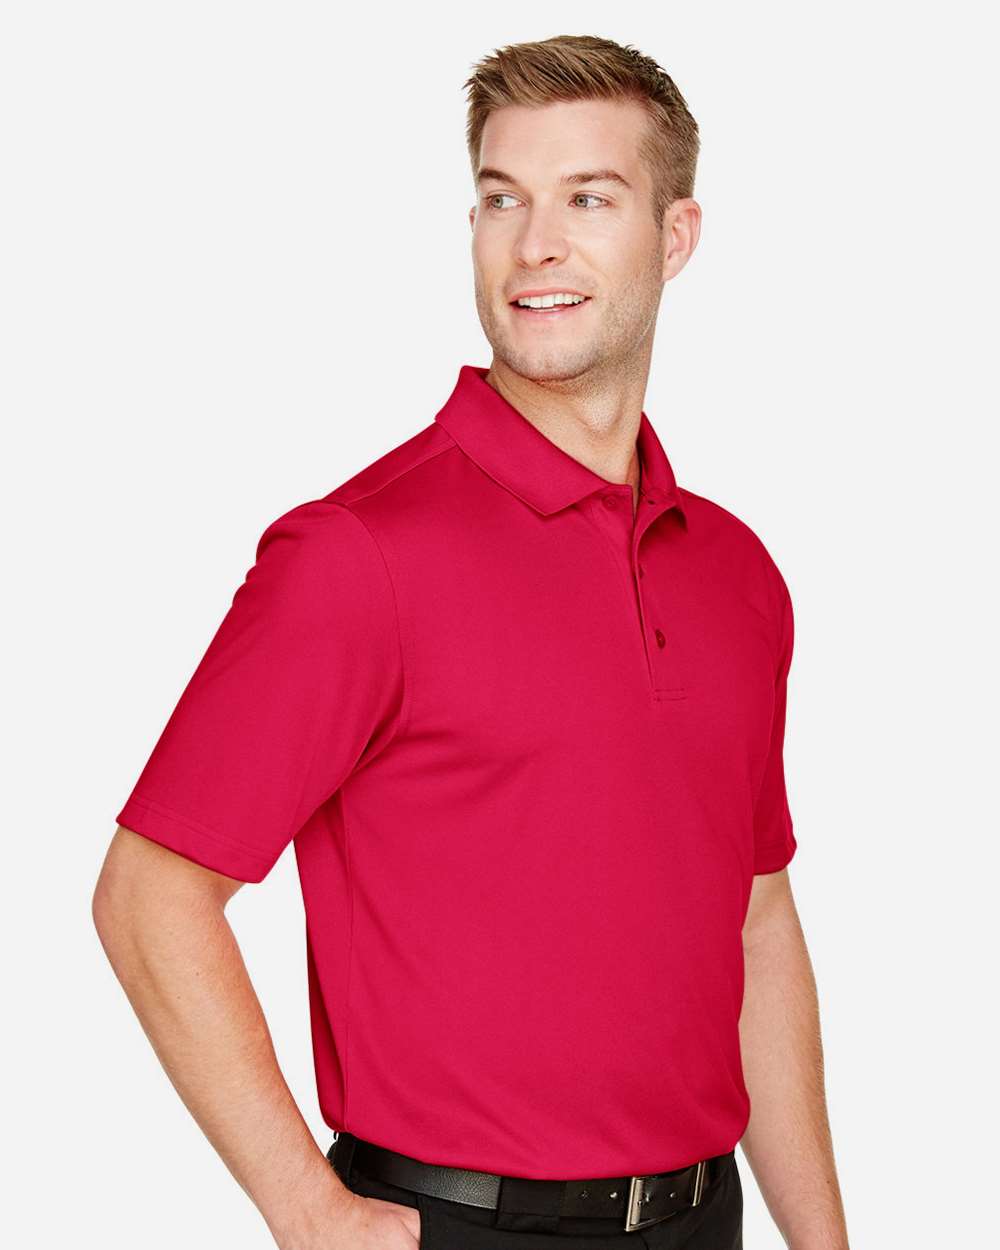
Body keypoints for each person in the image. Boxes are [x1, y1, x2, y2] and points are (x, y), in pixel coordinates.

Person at [93, 33, 850, 1250]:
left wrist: (822, 1240)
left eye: (587, 199)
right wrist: (306, 1207)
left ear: (675, 236)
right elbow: (151, 892)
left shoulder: (736, 575)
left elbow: (756, 916)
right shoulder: (359, 555)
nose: (534, 243)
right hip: (450, 1226)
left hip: (702, 1217)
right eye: (503, 199)